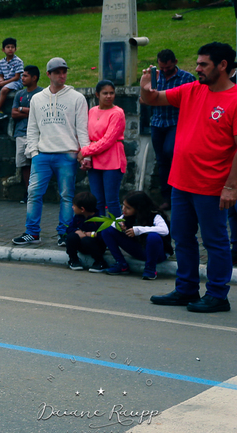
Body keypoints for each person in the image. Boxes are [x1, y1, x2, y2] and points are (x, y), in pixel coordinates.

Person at [140, 41, 237, 313]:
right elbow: (152, 99)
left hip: (211, 186)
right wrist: (145, 87)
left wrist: (231, 187)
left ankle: (217, 295)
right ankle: (186, 289)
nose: (197, 68)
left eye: (203, 64)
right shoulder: (192, 89)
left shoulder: (234, 99)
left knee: (215, 241)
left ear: (223, 65)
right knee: (182, 238)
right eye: (197, 63)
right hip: (181, 182)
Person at [13, 57, 89, 247]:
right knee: (33, 193)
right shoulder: (38, 98)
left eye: (64, 71)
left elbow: (82, 129)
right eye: (57, 72)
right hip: (42, 154)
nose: (62, 75)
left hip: (67, 153)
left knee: (67, 196)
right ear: (48, 74)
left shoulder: (77, 98)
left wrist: (85, 153)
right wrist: (34, 152)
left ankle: (64, 232)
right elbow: (32, 127)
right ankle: (32, 232)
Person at [147, 49, 195, 209]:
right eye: (162, 68)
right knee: (161, 161)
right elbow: (144, 99)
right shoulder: (155, 77)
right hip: (157, 122)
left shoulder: (186, 78)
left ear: (175, 62)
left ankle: (179, 194)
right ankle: (166, 197)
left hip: (176, 122)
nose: (165, 71)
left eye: (168, 67)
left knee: (171, 152)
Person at [78, 79, 126, 219]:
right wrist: (86, 157)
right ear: (97, 95)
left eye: (112, 93)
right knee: (97, 201)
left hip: (112, 159)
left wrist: (84, 152)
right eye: (105, 93)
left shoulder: (117, 113)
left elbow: (108, 140)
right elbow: (86, 134)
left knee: (111, 200)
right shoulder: (92, 111)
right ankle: (99, 229)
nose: (109, 96)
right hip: (95, 160)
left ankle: (116, 228)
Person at [100, 191, 170, 280]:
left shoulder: (155, 215)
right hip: (139, 250)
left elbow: (164, 230)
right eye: (123, 205)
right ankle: (121, 264)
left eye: (128, 208)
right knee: (107, 230)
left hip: (157, 254)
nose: (123, 209)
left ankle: (150, 269)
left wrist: (139, 230)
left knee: (153, 237)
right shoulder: (127, 216)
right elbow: (114, 222)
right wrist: (119, 225)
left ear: (138, 208)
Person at [8, 66, 41, 191]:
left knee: (36, 162)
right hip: (20, 133)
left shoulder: (42, 93)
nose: (22, 78)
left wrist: (22, 109)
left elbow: (40, 113)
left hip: (37, 133)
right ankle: (28, 191)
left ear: (34, 78)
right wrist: (30, 112)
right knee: (23, 164)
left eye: (25, 76)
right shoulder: (19, 94)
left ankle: (37, 191)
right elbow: (14, 113)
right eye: (22, 75)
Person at [65, 191, 109, 272]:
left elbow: (104, 235)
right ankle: (73, 260)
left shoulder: (99, 220)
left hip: (95, 246)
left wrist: (93, 234)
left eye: (74, 206)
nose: (72, 207)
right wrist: (77, 231)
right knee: (71, 237)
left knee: (86, 240)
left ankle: (100, 262)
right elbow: (69, 228)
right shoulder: (78, 217)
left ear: (82, 209)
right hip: (82, 245)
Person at [0, 37, 24, 118]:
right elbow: (1, 76)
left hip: (16, 82)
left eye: (12, 47)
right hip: (5, 82)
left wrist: (4, 83)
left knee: (4, 90)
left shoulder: (18, 61)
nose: (10, 49)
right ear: (3, 50)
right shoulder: (1, 62)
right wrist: (1, 81)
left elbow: (17, 77)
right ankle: (0, 112)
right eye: (8, 47)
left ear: (15, 49)